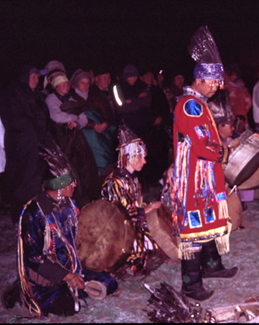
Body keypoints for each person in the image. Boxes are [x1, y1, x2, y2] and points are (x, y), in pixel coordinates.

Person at [14, 137, 118, 319]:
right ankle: (23, 293)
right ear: (57, 186)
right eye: (70, 183)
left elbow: (77, 235)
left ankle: (79, 286)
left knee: (110, 282)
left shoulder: (68, 203)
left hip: (72, 267)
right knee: (71, 306)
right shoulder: (34, 213)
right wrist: (65, 276)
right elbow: (33, 257)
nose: (74, 185)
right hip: (46, 277)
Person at [172, 25, 239, 302]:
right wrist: (223, 154)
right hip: (195, 177)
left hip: (206, 175)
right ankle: (191, 283)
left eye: (217, 83)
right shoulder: (190, 105)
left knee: (210, 218)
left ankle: (211, 266)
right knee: (194, 226)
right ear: (199, 79)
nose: (215, 88)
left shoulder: (198, 102)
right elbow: (202, 144)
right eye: (212, 83)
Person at [101, 122, 163, 276]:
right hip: (121, 232)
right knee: (142, 255)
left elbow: (134, 204)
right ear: (131, 156)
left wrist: (146, 207)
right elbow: (119, 215)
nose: (144, 161)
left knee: (159, 242)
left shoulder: (132, 179)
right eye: (141, 157)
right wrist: (145, 209)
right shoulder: (114, 182)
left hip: (136, 224)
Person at [1, 65, 49, 224]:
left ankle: (34, 216)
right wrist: (33, 133)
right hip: (21, 147)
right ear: (24, 78)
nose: (36, 80)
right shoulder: (15, 95)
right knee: (22, 182)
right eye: (33, 76)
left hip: (35, 147)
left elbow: (43, 118)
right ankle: (21, 218)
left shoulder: (36, 96)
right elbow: (15, 121)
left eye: (38, 77)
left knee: (34, 181)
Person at [45, 74, 100, 208]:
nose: (66, 87)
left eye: (67, 84)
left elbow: (84, 119)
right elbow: (56, 115)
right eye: (62, 85)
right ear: (56, 86)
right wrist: (73, 118)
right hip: (61, 138)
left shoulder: (72, 99)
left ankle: (85, 197)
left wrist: (76, 122)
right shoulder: (51, 99)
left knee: (84, 167)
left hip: (76, 139)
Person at [69, 68, 118, 175]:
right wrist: (93, 125)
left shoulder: (94, 96)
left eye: (87, 83)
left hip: (100, 135)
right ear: (77, 83)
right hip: (85, 136)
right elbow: (75, 117)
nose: (85, 86)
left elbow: (104, 112)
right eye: (82, 83)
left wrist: (105, 123)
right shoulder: (72, 98)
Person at [224, 63, 252, 128]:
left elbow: (249, 102)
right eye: (231, 75)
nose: (233, 77)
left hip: (242, 117)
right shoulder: (224, 88)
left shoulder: (241, 87)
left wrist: (242, 111)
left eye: (235, 75)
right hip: (230, 117)